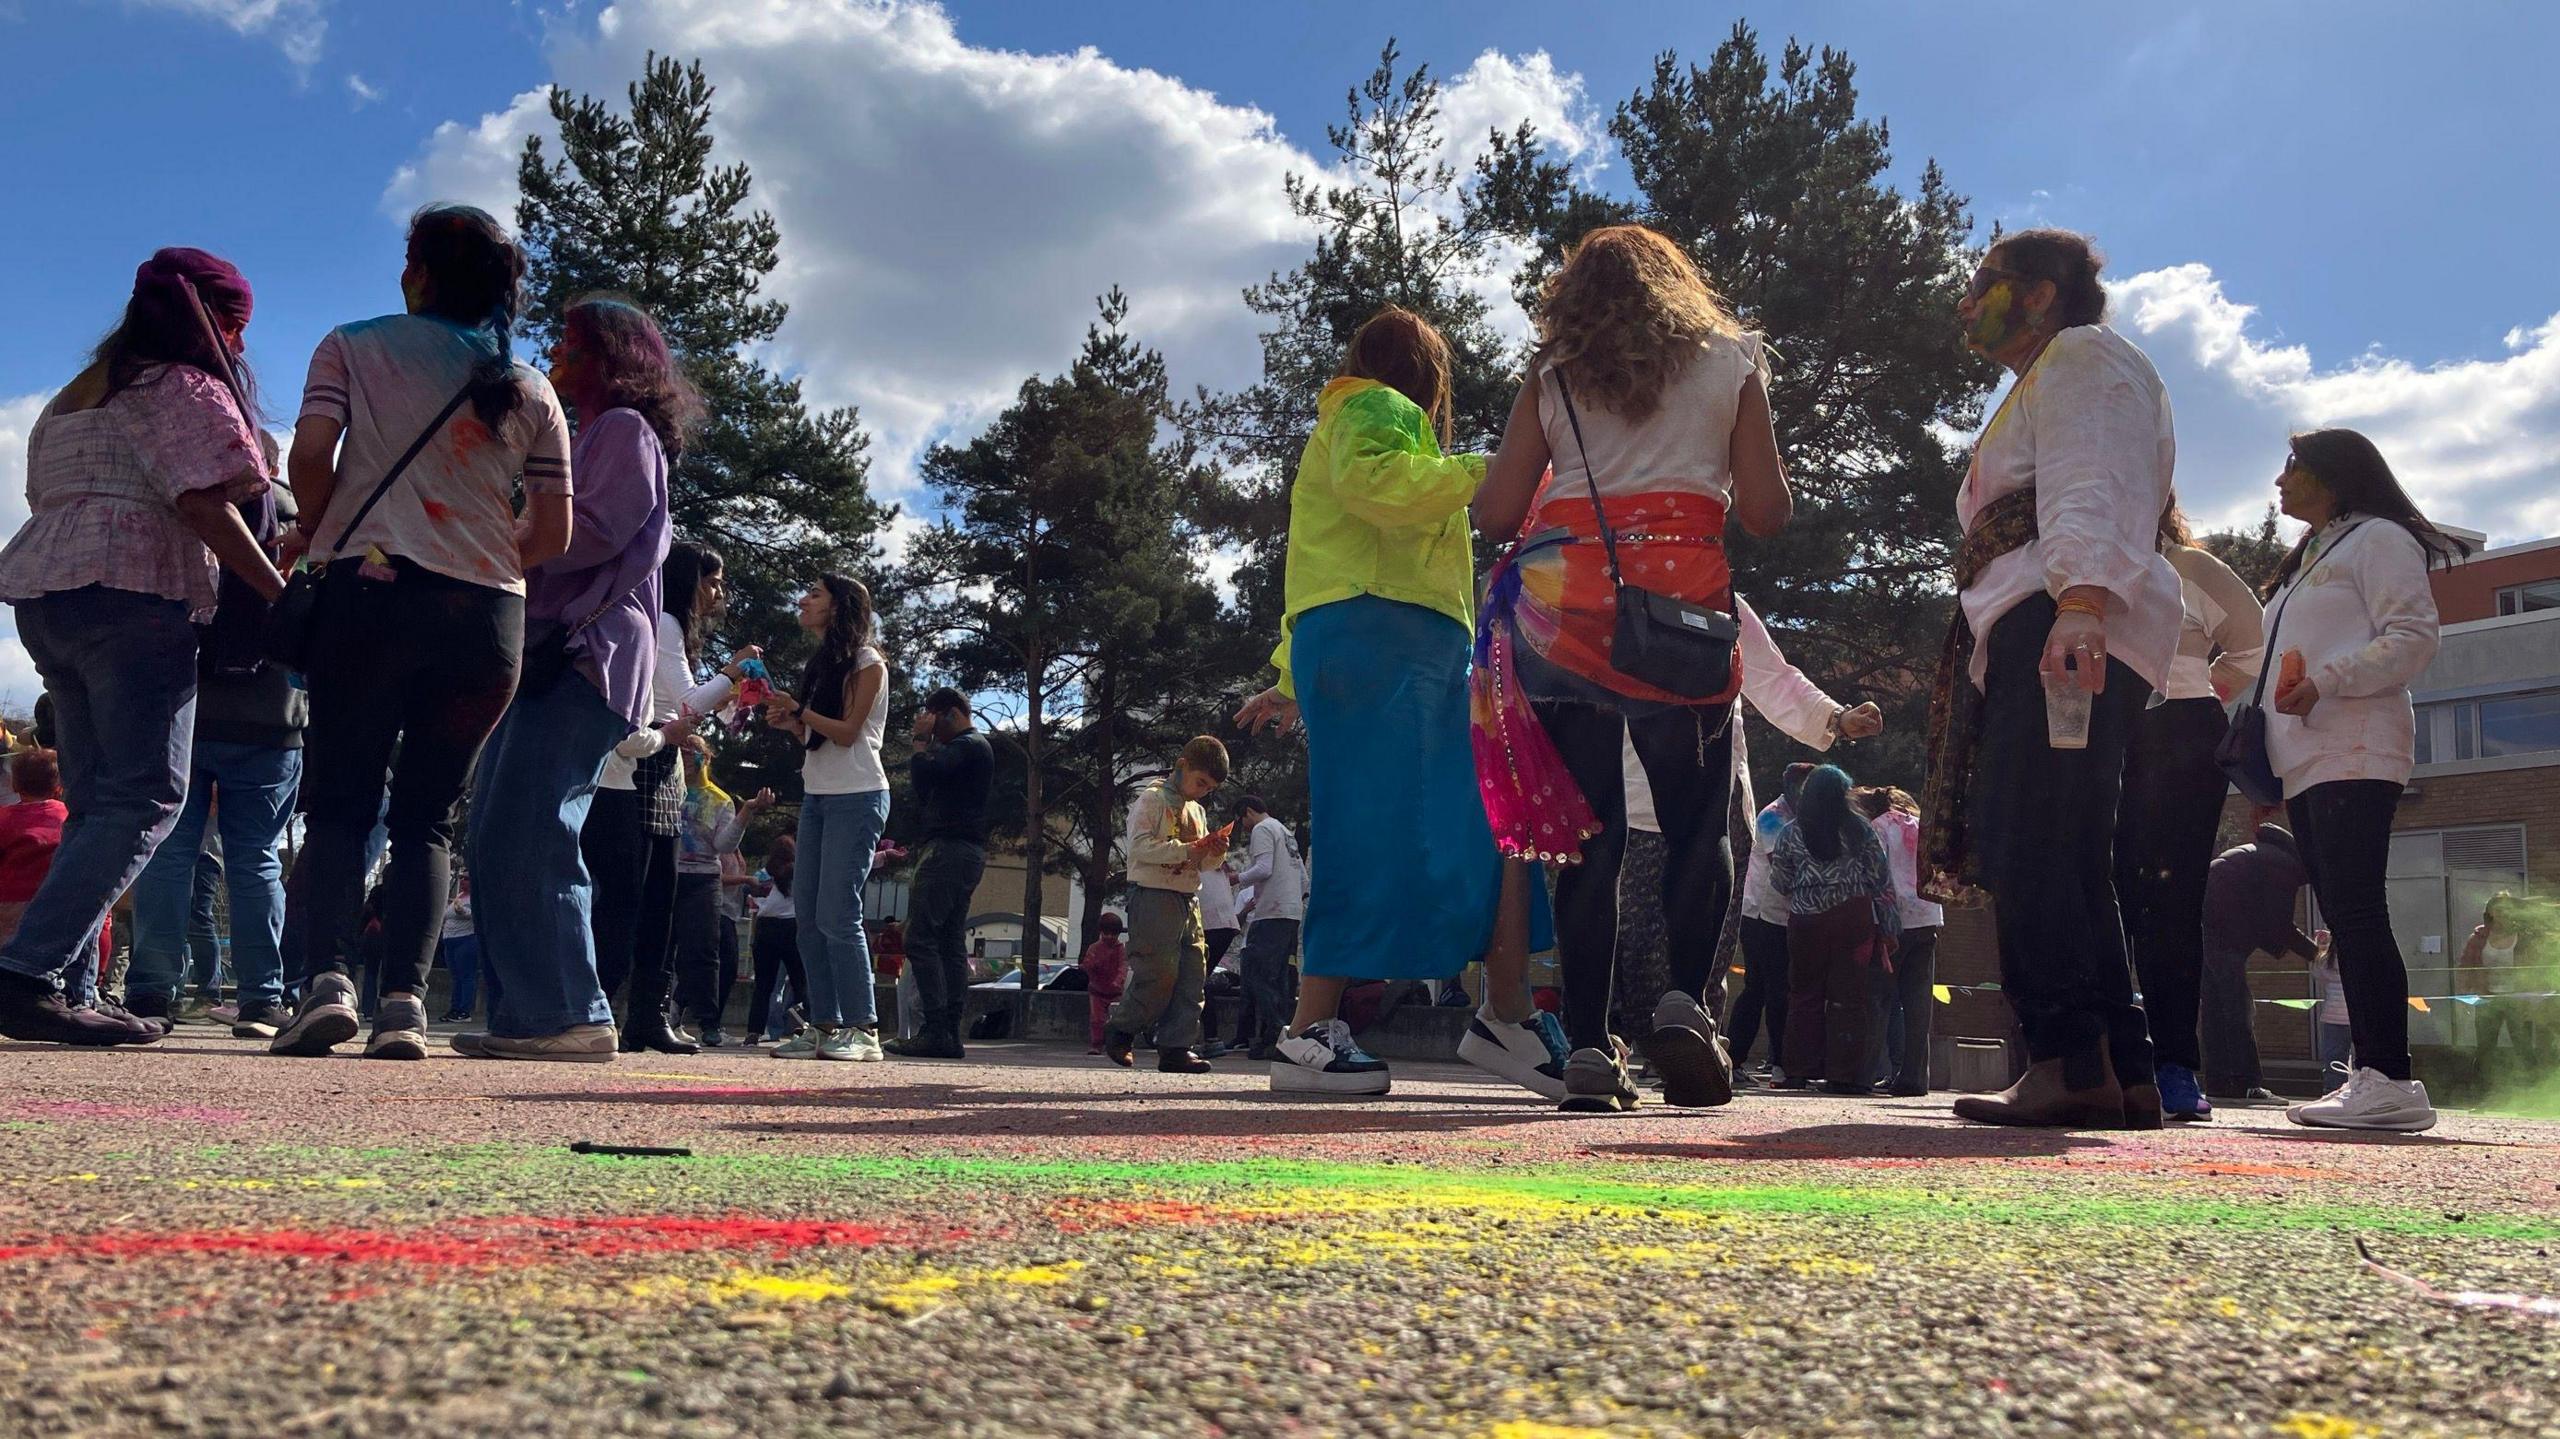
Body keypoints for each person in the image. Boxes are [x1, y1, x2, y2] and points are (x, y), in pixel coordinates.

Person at [1470, 226, 1794, 1113]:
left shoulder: (1554, 373)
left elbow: (1497, 511)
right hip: (1682, 612)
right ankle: (1688, 1002)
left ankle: (1583, 1046)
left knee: (1589, 839)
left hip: (1565, 612)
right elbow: (1765, 511)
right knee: (1698, 824)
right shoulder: (1734, 359)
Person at [264, 206, 570, 1062]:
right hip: (486, 623)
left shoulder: (352, 345)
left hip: (372, 593)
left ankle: (327, 984)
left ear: (419, 273)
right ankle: (404, 1002)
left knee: (338, 804)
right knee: (427, 820)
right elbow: (553, 534)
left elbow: (311, 455)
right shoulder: (533, 386)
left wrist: (314, 529)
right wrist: (480, 549)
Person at [1924, 228, 2182, 1131]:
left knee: (2029, 833)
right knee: (2066, 846)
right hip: (2058, 611)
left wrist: (2079, 601)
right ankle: (2115, 1065)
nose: (1966, 303)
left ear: (2039, 295)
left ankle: (2070, 1056)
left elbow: (2091, 479)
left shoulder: (2079, 353)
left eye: (1982, 284)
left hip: (2061, 612)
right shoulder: (2053, 375)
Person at [0, 248, 286, 1046]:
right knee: (150, 796)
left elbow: (41, 494)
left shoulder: (75, 395)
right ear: (221, 324)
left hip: (49, 595)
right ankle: (26, 974)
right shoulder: (182, 386)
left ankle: (65, 983)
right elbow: (202, 500)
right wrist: (275, 590)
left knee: (94, 805)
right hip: (135, 595)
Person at [1234, 307, 1505, 1100]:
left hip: (1362, 631)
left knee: (1381, 824)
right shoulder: (1379, 408)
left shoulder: (1344, 416)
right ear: (1425, 372)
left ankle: (1319, 1023)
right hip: (1391, 632)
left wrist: (1290, 675)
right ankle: (1313, 1028)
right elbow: (1378, 487)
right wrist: (1489, 468)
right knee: (1419, 825)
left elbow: (1315, 560)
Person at [455, 293, 688, 1061]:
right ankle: (532, 1013)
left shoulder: (622, 431)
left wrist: (487, 543)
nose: (554, 356)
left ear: (610, 358)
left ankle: (570, 1011)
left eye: (571, 344)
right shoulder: (600, 433)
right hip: (562, 655)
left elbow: (587, 532)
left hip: (586, 658)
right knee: (498, 828)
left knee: (532, 824)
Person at [2265, 429, 2459, 1132]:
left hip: (2356, 745)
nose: (2280, 480)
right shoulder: (2310, 556)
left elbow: (2413, 635)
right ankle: (2375, 1073)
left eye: (2294, 466)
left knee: (2354, 910)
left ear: (2335, 474)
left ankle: (2388, 1076)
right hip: (2309, 756)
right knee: (2344, 914)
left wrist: (2328, 680)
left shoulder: (2378, 538)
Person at [2115, 503, 2266, 1121]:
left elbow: (2256, 642)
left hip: (2178, 732)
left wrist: (2204, 689)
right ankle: (2094, 1057)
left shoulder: (2189, 567)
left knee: (2172, 902)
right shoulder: (2068, 565)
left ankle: (2174, 1063)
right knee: (2099, 894)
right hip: (2093, 733)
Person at [591, 540, 754, 1055]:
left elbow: (698, 707)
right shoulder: (663, 622)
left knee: (659, 899)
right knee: (628, 898)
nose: (718, 591)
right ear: (688, 580)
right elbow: (685, 702)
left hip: (666, 771)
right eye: (712, 580)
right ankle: (596, 1005)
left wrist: (737, 701)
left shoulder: (678, 631)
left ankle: (646, 1014)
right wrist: (732, 673)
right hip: (642, 763)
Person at [762, 575, 893, 1062]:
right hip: (818, 796)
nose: (803, 599)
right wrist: (794, 723)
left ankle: (864, 1029)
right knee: (809, 920)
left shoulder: (868, 661)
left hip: (859, 796)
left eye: (814, 594)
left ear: (840, 606)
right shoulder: (822, 664)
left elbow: (849, 733)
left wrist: (802, 711)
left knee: (838, 914)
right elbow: (817, 740)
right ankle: (823, 1025)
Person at [1101, 736, 1232, 1072]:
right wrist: (1188, 850)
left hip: (1187, 897)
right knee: (1158, 971)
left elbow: (1204, 864)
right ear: (1182, 765)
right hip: (1152, 893)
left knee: (1192, 974)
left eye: (1209, 787)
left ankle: (1177, 1046)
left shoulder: (1197, 811)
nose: (1203, 791)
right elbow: (1141, 848)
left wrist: (1215, 853)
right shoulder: (1153, 799)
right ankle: (1122, 1027)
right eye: (1200, 781)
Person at [1771, 765, 1899, 1091]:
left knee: (1803, 995)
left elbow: (1781, 882)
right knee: (1849, 999)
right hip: (1853, 921)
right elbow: (1880, 879)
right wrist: (1889, 927)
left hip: (1805, 922)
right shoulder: (1860, 830)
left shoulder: (1791, 831)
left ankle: (1798, 1071)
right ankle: (1844, 1076)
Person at [887, 689, 994, 1059]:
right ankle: (947, 1032)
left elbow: (928, 771)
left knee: (919, 937)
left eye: (933, 719)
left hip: (948, 850)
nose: (931, 730)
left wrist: (919, 742)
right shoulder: (971, 749)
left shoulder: (969, 746)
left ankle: (937, 1028)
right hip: (962, 851)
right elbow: (924, 785)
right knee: (949, 941)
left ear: (949, 714)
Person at [2199, 817, 2315, 1100]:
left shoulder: (2258, 854)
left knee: (2215, 1008)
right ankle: (2247, 1082)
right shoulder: (2284, 867)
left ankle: (2218, 1082)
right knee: (2238, 1008)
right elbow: (2278, 925)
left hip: (2205, 925)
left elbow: (2265, 922)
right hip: (2226, 932)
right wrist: (2317, 955)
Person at [672, 752, 768, 1046]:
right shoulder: (668, 789)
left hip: (703, 877)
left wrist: (747, 812)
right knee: (660, 948)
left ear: (706, 758)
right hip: (669, 874)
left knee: (705, 951)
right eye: (681, 752)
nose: (685, 758)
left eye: (692, 753)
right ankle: (659, 1014)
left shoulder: (719, 799)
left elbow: (723, 844)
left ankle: (708, 1022)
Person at [1852, 786, 1943, 1096]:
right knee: (1919, 1005)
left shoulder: (1878, 828)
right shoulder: (1921, 826)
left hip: (1894, 920)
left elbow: (1879, 879)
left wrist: (1880, 924)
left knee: (1878, 1000)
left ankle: (1864, 1074)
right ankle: (1915, 1077)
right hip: (1928, 916)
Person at [1228, 795, 1305, 1059]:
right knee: (1282, 976)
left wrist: (1236, 878)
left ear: (1248, 812)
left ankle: (1274, 1034)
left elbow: (1263, 868)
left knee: (1260, 976)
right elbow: (1303, 877)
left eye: (1242, 821)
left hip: (1270, 912)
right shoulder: (1285, 831)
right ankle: (1284, 1035)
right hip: (1291, 912)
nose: (1244, 827)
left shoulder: (1262, 829)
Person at [744, 835, 806, 1044]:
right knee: (800, 981)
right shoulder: (799, 874)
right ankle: (804, 1027)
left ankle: (753, 1031)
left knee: (763, 985)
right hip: (792, 928)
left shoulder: (762, 875)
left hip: (765, 929)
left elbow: (753, 901)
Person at [1080, 911, 1129, 1054]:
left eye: (1113, 934)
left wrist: (1118, 981)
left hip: (1115, 992)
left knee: (1117, 1021)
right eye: (1106, 933)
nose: (1109, 937)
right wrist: (1090, 966)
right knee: (1096, 1019)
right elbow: (1087, 964)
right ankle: (1096, 1044)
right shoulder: (1094, 948)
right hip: (1096, 991)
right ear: (1101, 932)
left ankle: (1115, 1044)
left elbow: (1123, 967)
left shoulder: (1121, 950)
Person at [436, 879, 480, 1024]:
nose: (462, 881)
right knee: (456, 977)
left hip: (466, 939)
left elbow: (478, 916)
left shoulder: (476, 897)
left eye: (467, 879)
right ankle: (454, 1008)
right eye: (461, 878)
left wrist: (464, 911)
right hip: (450, 941)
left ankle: (464, 1010)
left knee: (466, 976)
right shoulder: (459, 896)